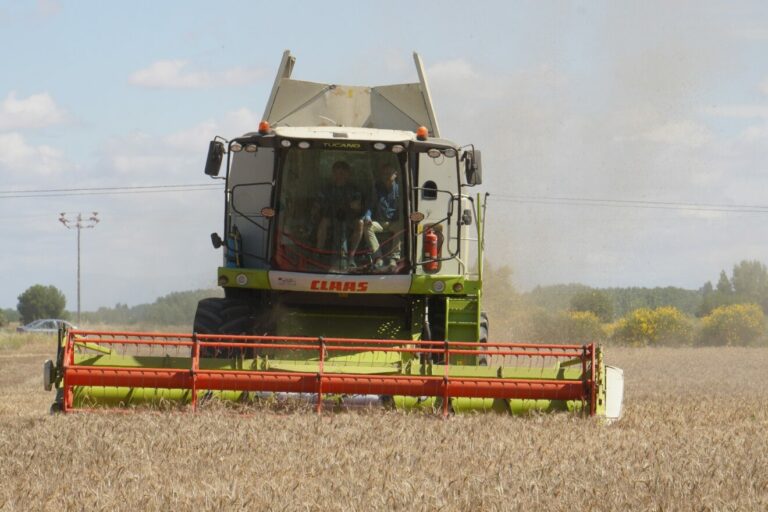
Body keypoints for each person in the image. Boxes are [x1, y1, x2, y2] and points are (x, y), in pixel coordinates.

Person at [315, 160, 372, 268]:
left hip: (350, 219)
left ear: (348, 174)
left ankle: (351, 256)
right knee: (323, 222)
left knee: (359, 223)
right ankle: (318, 253)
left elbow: (358, 205)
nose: (340, 176)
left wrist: (355, 206)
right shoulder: (326, 189)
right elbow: (319, 203)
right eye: (337, 173)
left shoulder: (354, 189)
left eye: (343, 173)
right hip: (331, 218)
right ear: (333, 173)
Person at [365, 164, 402, 269]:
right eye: (384, 174)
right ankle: (378, 258)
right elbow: (370, 205)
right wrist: (368, 216)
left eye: (389, 173)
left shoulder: (400, 189)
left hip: (394, 222)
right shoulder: (377, 189)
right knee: (367, 227)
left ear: (395, 175)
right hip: (380, 222)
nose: (387, 176)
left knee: (401, 225)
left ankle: (394, 258)